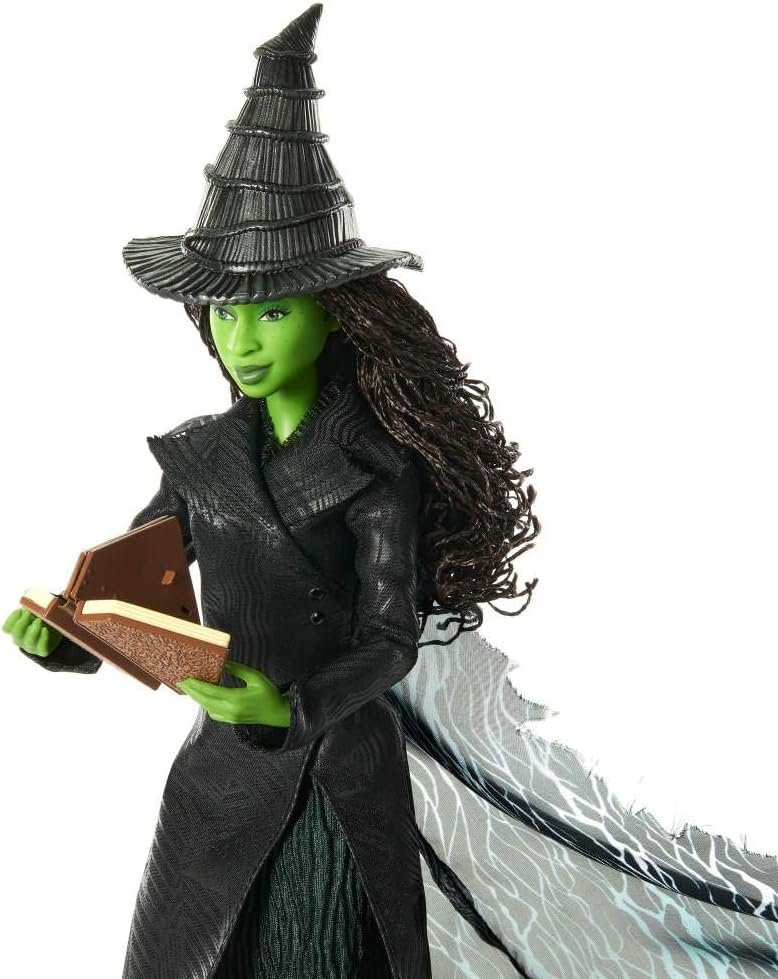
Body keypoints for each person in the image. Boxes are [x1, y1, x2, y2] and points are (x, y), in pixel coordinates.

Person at [3, 7, 537, 977]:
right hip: (219, 778)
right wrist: (69, 635)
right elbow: (127, 593)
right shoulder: (201, 457)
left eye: (274, 312)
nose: (242, 340)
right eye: (224, 312)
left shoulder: (378, 464)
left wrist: (291, 705)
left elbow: (388, 638)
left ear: (333, 314)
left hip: (333, 772)